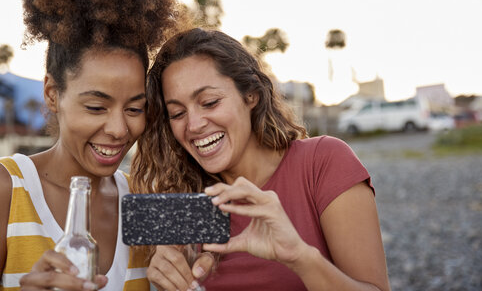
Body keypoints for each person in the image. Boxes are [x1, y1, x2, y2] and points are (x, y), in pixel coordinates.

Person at [131, 28, 391, 291]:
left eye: (209, 102)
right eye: (177, 113)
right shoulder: (182, 199)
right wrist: (169, 281)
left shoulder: (324, 163)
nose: (194, 125)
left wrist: (299, 257)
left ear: (250, 94)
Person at [0, 0, 179, 290]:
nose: (119, 129)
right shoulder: (7, 191)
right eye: (96, 106)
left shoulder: (143, 204)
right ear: (53, 94)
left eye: (135, 107)